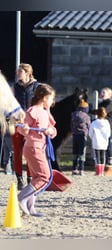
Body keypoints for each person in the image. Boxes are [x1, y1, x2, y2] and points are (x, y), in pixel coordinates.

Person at [17, 83, 57, 217]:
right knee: (45, 177)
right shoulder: (32, 111)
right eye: (51, 98)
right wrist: (24, 129)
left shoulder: (46, 112)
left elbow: (54, 131)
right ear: (44, 98)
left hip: (40, 148)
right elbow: (21, 128)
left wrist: (50, 131)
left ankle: (30, 206)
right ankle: (22, 198)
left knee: (36, 177)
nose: (53, 101)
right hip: (33, 148)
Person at [12, 63, 40, 190]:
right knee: (17, 151)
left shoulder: (36, 86)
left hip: (31, 123)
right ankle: (19, 178)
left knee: (29, 151)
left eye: (20, 72)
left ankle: (30, 177)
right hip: (17, 122)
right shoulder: (15, 86)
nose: (17, 74)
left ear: (27, 73)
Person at [97, 87, 112, 176]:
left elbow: (103, 112)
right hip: (102, 127)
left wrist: (93, 110)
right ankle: (101, 166)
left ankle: (110, 166)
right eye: (101, 92)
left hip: (109, 127)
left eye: (104, 92)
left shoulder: (109, 104)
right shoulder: (101, 103)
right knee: (102, 146)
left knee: (109, 146)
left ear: (109, 94)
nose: (102, 94)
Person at [88, 107, 111, 176]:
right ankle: (102, 171)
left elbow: (90, 133)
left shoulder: (94, 123)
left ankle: (98, 172)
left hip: (96, 142)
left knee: (97, 157)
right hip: (104, 142)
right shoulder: (107, 123)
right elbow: (108, 134)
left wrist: (93, 138)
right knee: (103, 156)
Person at [71, 99, 91, 176]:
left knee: (75, 152)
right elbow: (89, 126)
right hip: (83, 135)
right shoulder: (86, 116)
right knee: (82, 153)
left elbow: (71, 125)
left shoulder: (73, 114)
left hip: (75, 135)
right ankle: (81, 169)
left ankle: (74, 169)